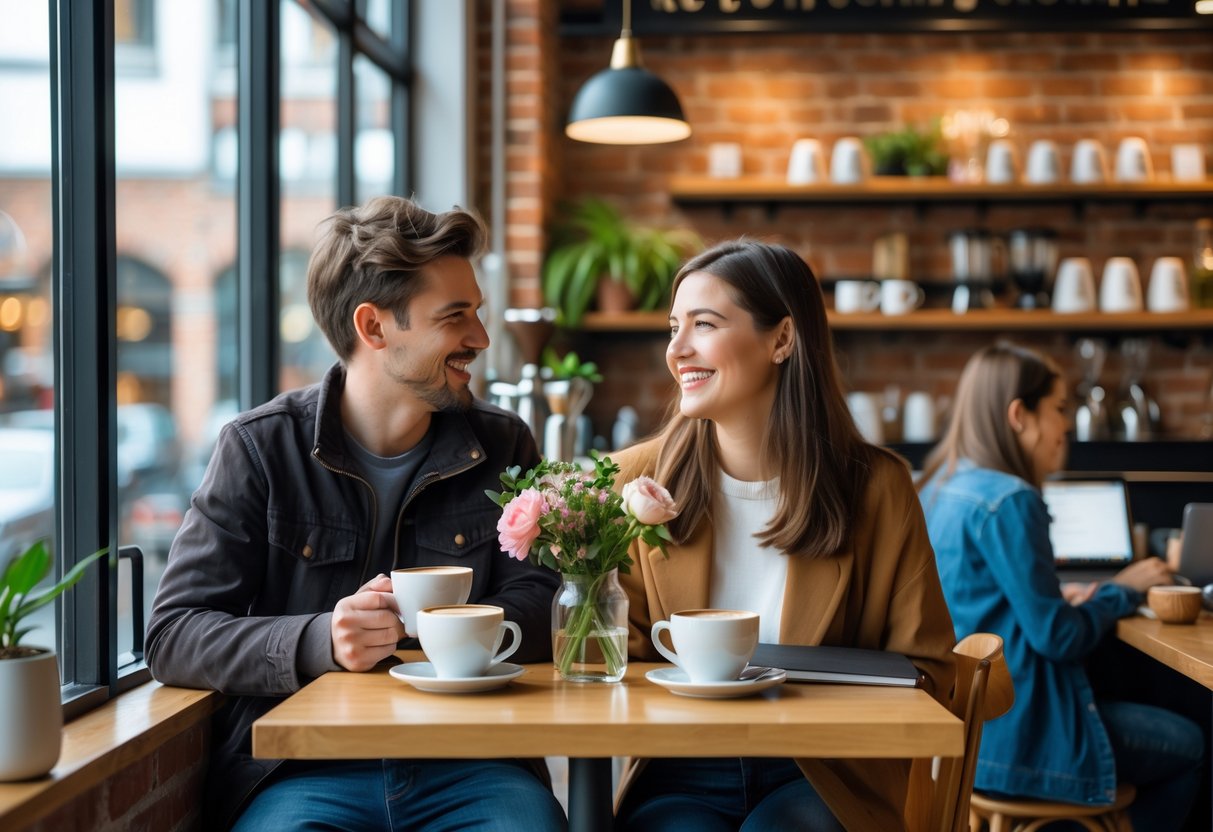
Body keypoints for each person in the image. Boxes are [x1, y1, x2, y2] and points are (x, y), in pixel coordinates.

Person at [146, 196, 565, 832]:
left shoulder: (505, 445)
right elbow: (172, 635)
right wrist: (320, 639)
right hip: (303, 768)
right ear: (373, 328)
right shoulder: (260, 448)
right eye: (456, 318)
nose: (481, 338)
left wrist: (443, 630)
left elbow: (544, 606)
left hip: (473, 760)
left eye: (476, 313)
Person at [611, 239, 957, 831]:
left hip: (823, 770)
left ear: (782, 339)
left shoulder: (877, 488)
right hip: (683, 765)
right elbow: (613, 661)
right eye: (674, 327)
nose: (678, 350)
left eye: (705, 324)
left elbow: (929, 672)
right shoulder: (634, 480)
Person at [917, 342, 1203, 830]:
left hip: (964, 732)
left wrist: (1054, 600)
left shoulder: (938, 486)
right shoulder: (1011, 500)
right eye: (1059, 409)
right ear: (1019, 415)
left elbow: (984, 604)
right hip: (1019, 734)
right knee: (1194, 743)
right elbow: (1058, 637)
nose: (1066, 426)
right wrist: (1123, 589)